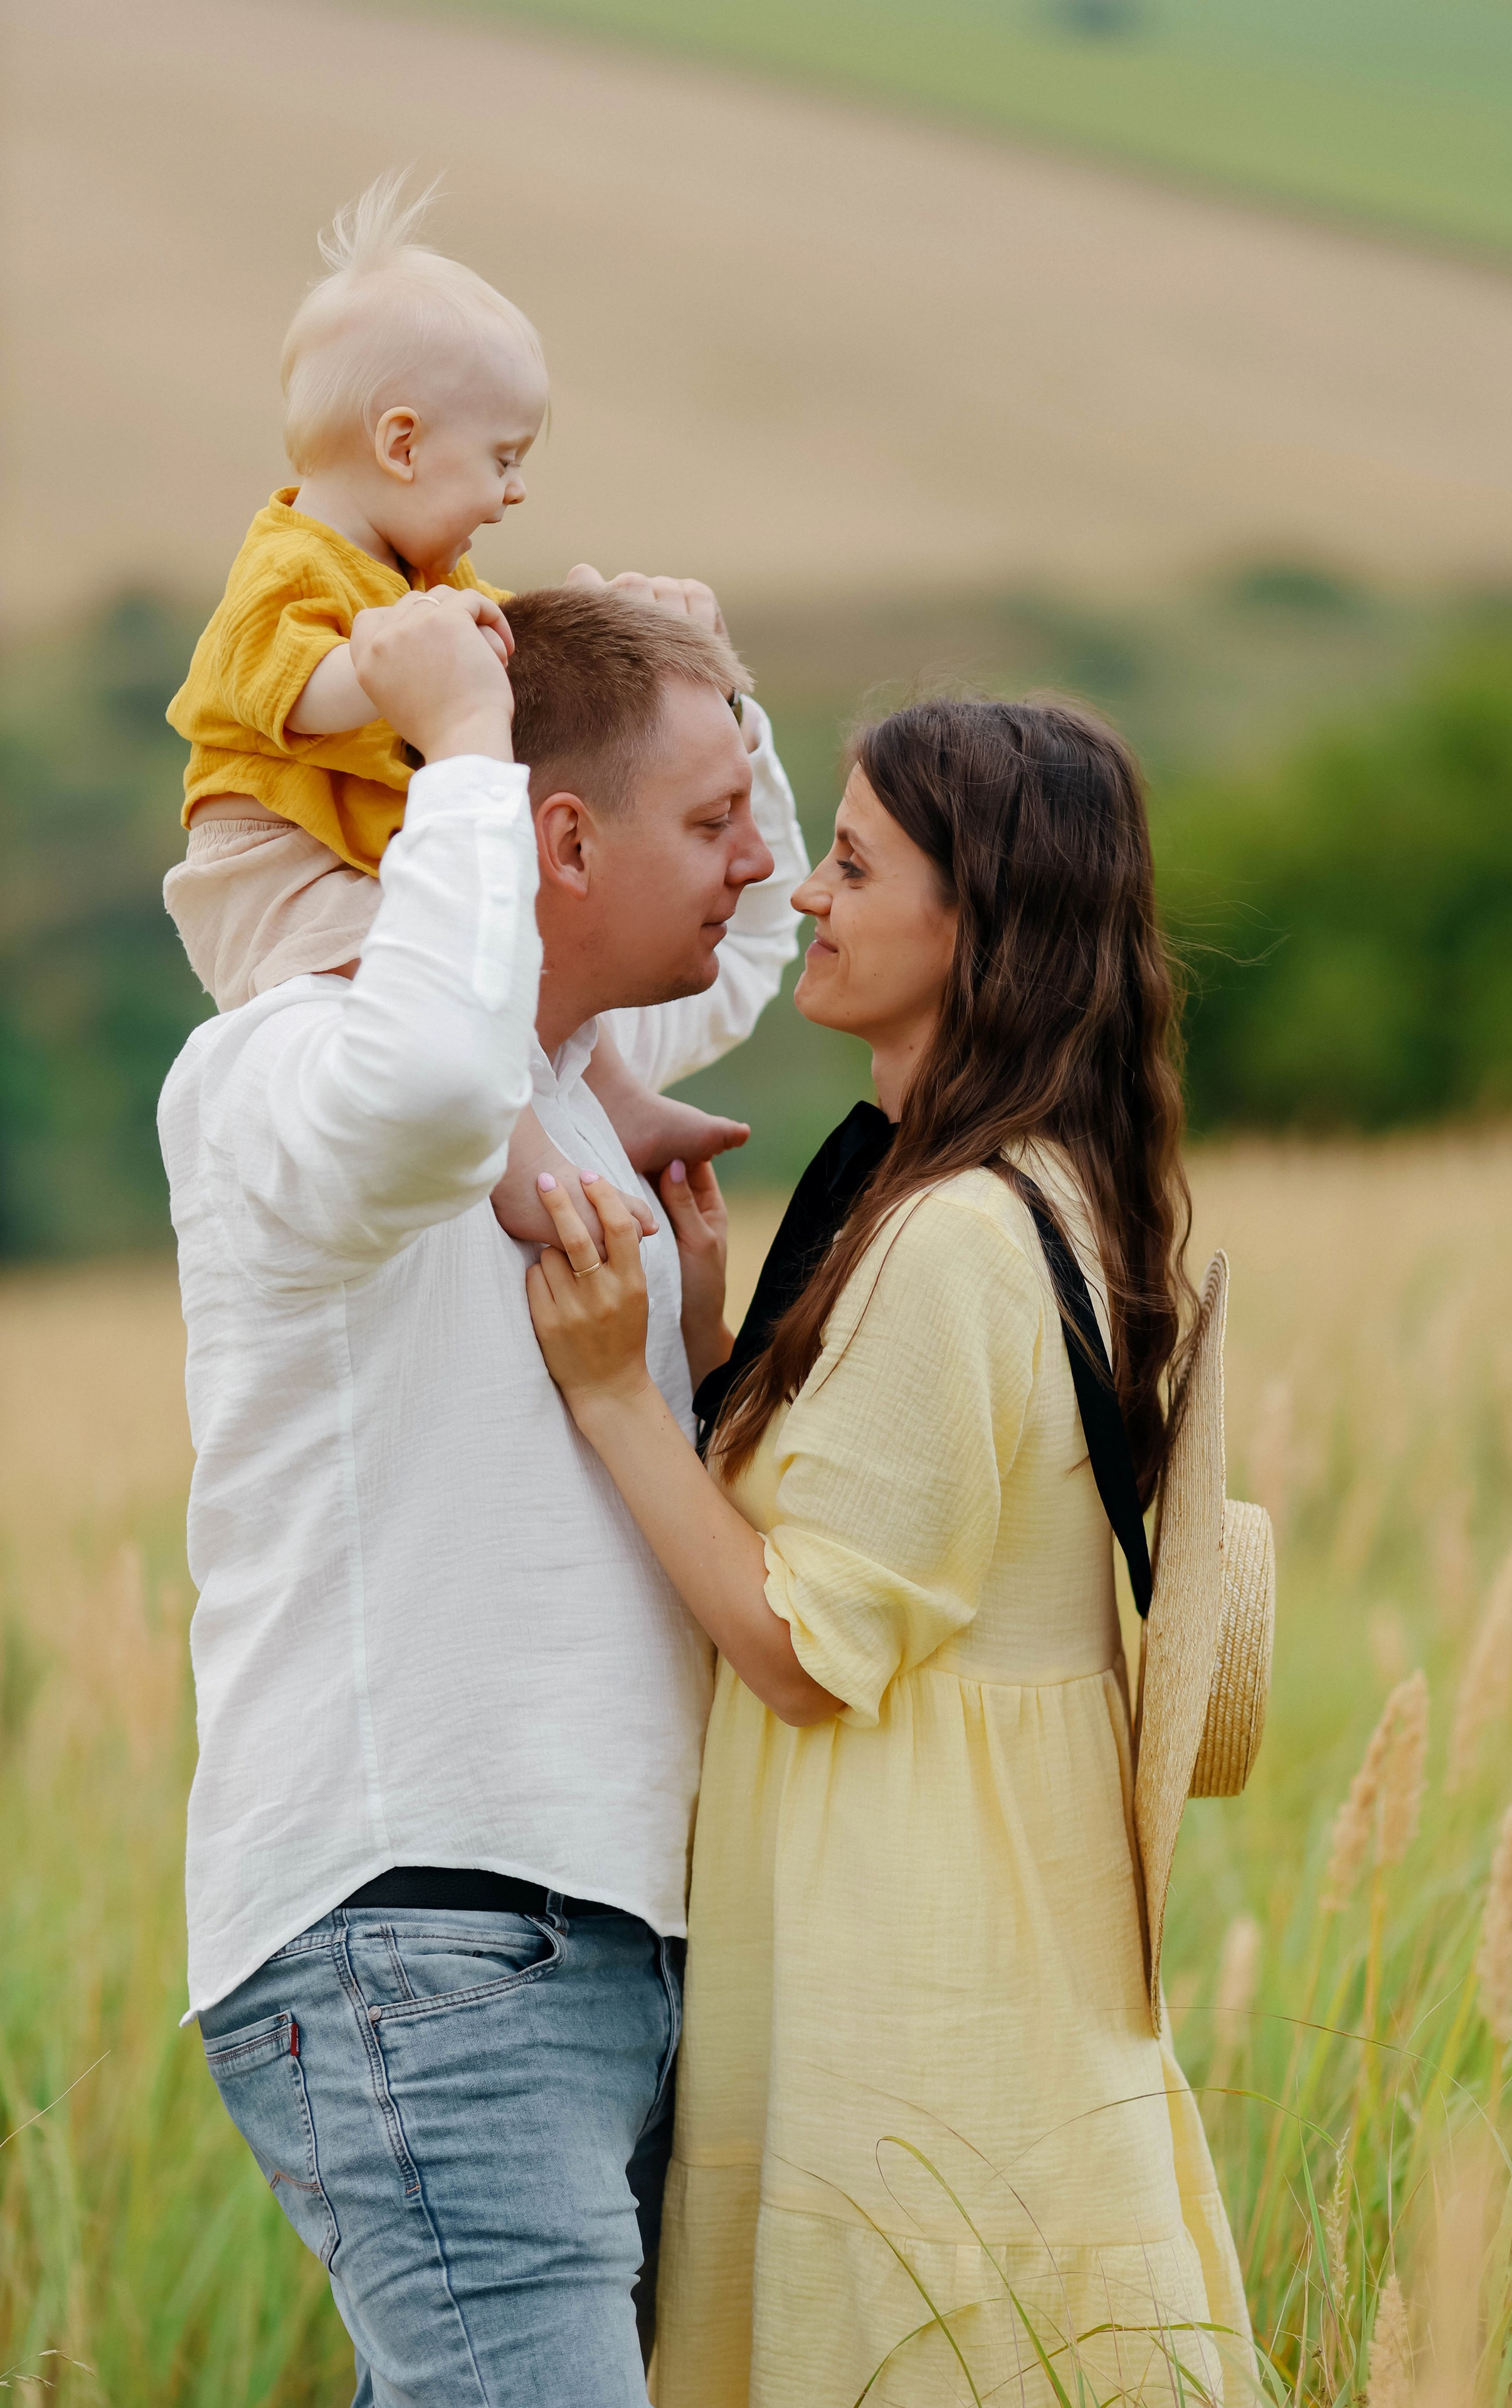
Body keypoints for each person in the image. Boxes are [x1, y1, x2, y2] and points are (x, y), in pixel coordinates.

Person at [527, 697, 1257, 2405]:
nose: (802, 892)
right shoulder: (1028, 1193)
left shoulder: (953, 1239)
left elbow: (804, 1648)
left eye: (853, 865)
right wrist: (712, 1355)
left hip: (917, 1949)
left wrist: (614, 1401)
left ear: (975, 919)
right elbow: (894, 1528)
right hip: (980, 1915)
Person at [159, 578, 809, 2405]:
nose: (758, 857)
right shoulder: (290, 1073)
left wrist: (708, 670)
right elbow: (439, 1080)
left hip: (591, 1933)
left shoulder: (567, 1084)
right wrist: (458, 743)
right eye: (711, 816)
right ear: (559, 843)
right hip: (428, 1931)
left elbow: (746, 948)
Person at [166, 168, 748, 1254]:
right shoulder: (287, 566)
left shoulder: (430, 576)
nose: (515, 490)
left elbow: (517, 667)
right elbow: (281, 690)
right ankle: (526, 1169)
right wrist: (406, 675)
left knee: (514, 944)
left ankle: (613, 1097)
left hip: (360, 844)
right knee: (431, 976)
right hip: (278, 864)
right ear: (402, 445)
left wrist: (601, 634)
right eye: (503, 459)